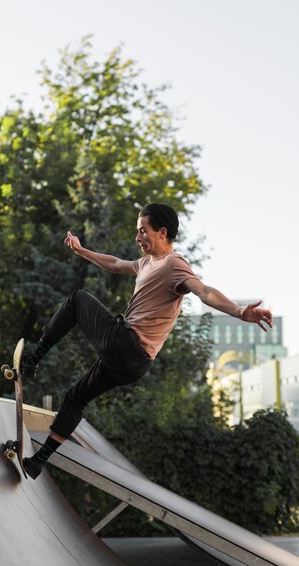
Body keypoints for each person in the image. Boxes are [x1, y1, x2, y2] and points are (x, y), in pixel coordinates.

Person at [21, 203, 273, 479]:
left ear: (162, 232)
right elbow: (116, 264)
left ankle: (33, 361)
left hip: (125, 345)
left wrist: (239, 312)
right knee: (74, 399)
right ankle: (38, 463)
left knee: (78, 299)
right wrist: (81, 251)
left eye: (144, 231)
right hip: (135, 365)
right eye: (137, 232)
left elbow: (203, 291)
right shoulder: (145, 263)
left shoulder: (174, 265)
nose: (138, 237)